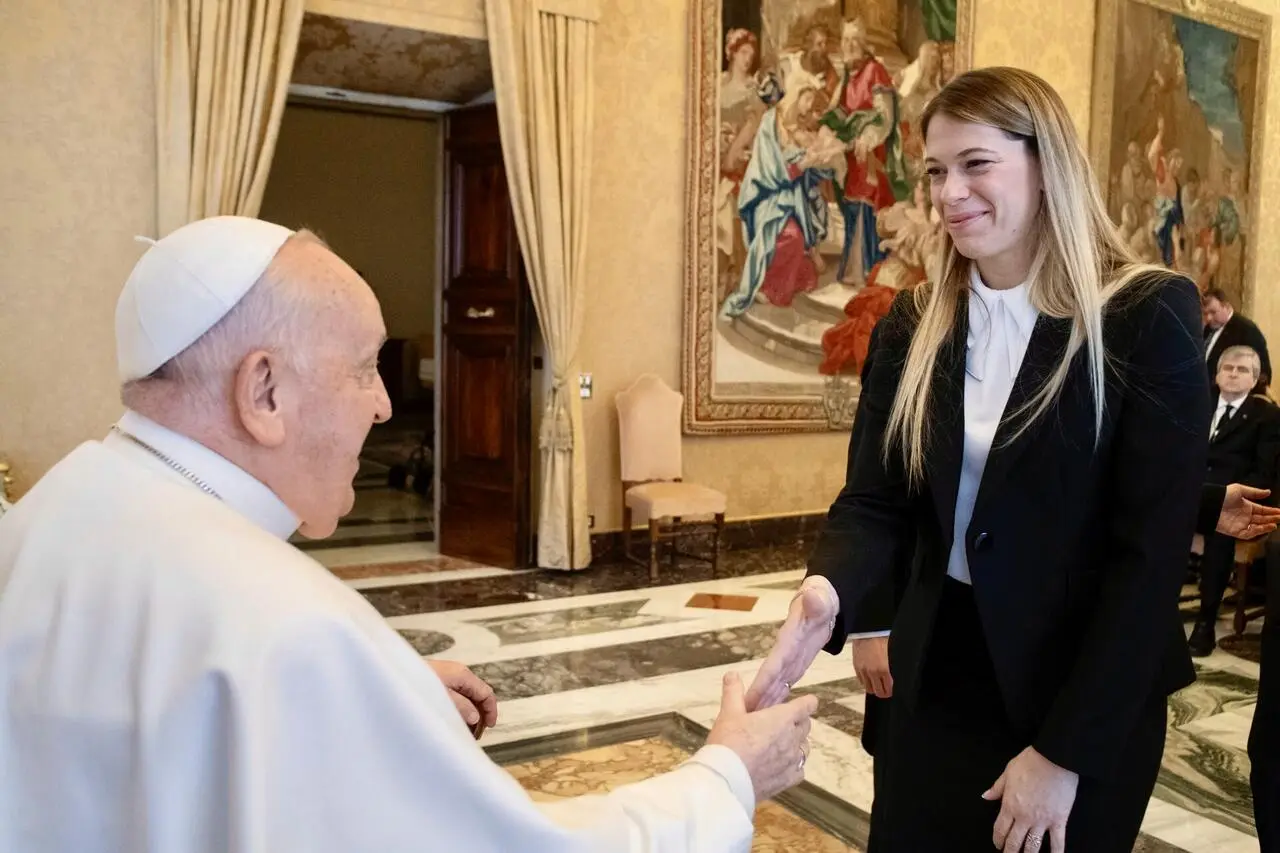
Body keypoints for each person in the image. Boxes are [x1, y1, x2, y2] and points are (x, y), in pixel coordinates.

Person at [0, 216, 819, 853]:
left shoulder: (59, 505)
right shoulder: (291, 627)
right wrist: (726, 776)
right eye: (363, 368)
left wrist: (370, 697)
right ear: (264, 391)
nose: (385, 404)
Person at [745, 68, 1211, 852]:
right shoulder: (914, 323)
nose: (948, 193)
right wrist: (828, 591)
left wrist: (1064, 752)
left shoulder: (1141, 315)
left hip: (1078, 688)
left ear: (1045, 163)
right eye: (934, 171)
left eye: (975, 163)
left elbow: (1149, 560)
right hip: (935, 677)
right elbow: (876, 501)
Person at [1191, 345, 1280, 656]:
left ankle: (1205, 623)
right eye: (1227, 367)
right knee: (1158, 517)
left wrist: (1228, 499)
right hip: (1191, 496)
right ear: (1216, 375)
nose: (1232, 373)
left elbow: (1263, 472)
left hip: (1232, 501)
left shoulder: (1266, 416)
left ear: (1255, 379)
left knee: (1220, 531)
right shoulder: (1197, 406)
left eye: (1242, 369)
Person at [1204, 287, 1271, 396]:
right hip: (1209, 397)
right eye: (1205, 313)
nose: (1208, 318)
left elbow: (1262, 371)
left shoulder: (1246, 329)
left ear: (1226, 306)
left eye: (1213, 312)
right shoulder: (1208, 329)